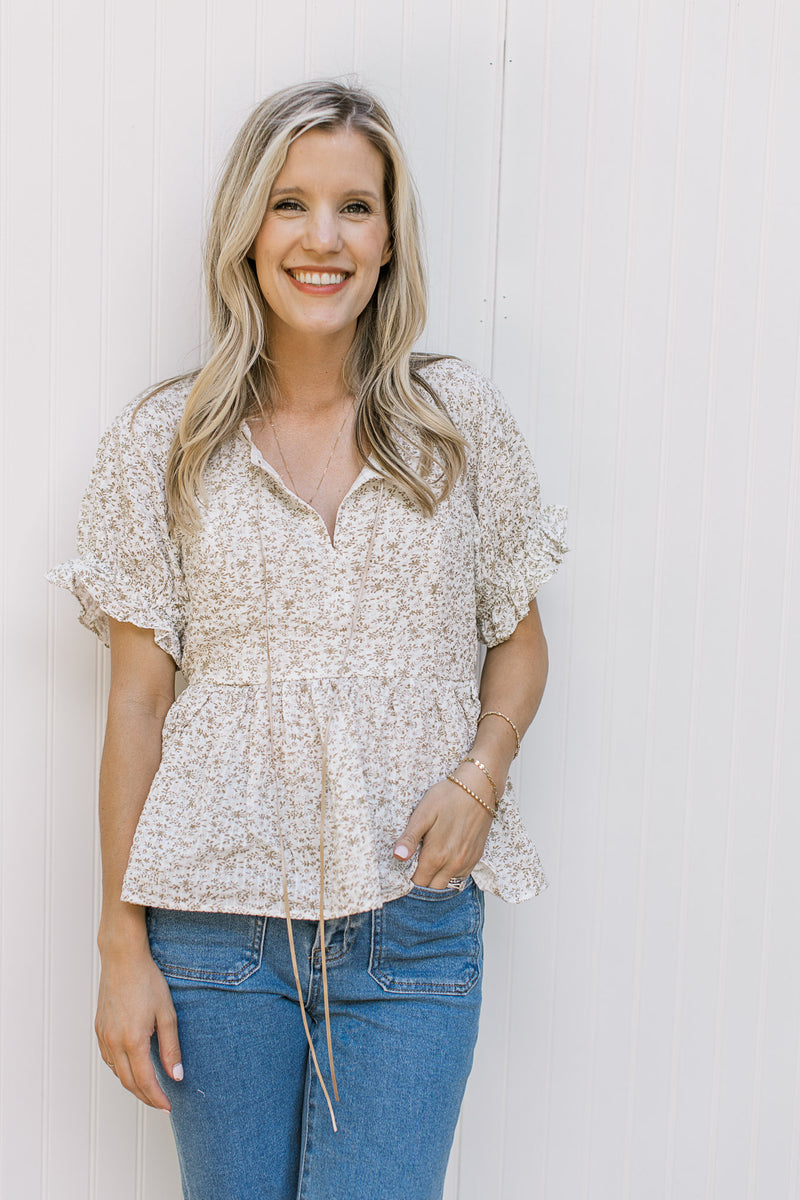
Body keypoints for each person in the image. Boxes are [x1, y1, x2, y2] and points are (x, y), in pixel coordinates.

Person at [48, 79, 567, 1200]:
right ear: (248, 230)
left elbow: (517, 643)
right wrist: (119, 945)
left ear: (389, 239)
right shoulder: (163, 444)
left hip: (411, 929)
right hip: (217, 937)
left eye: (354, 208)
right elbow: (135, 706)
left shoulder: (456, 426)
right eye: (289, 205)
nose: (321, 240)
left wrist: (480, 776)